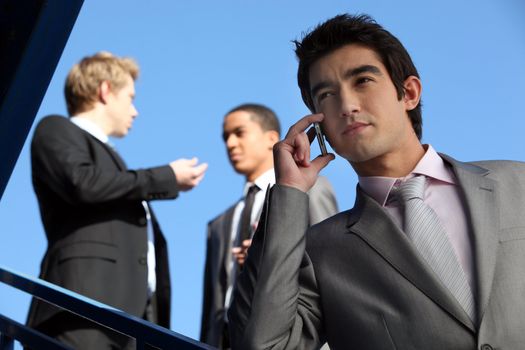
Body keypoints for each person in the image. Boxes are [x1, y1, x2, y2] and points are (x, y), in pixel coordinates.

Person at [228, 14, 525, 349]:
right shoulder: (321, 251)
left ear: (409, 92)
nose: (347, 105)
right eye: (326, 95)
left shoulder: (518, 181)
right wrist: (288, 193)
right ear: (318, 127)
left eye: (363, 81)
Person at [26, 52, 208, 349]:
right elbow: (83, 183)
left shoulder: (113, 160)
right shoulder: (55, 128)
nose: (135, 111)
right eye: (131, 97)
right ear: (105, 90)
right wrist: (167, 177)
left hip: (129, 322)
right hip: (81, 310)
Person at [200, 103, 338, 349]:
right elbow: (212, 305)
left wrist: (264, 255)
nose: (230, 144)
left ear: (271, 138)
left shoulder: (311, 191)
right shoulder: (219, 225)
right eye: (226, 137)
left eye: (239, 133)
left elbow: (329, 267)